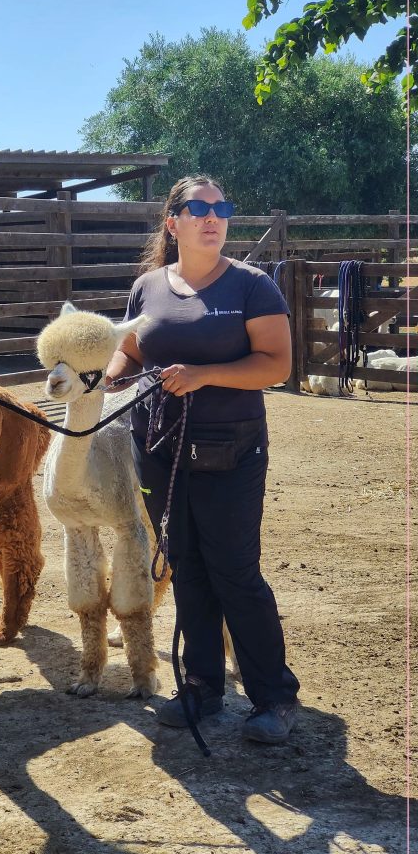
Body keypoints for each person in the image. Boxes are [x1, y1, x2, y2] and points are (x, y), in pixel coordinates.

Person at [105, 175, 300, 744]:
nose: (212, 218)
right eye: (199, 209)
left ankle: (273, 696)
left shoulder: (252, 288)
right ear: (174, 223)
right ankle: (202, 687)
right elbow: (130, 347)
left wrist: (205, 375)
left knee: (235, 572)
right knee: (185, 566)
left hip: (232, 451)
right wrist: (110, 375)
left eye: (221, 208)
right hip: (162, 451)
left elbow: (276, 365)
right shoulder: (147, 288)